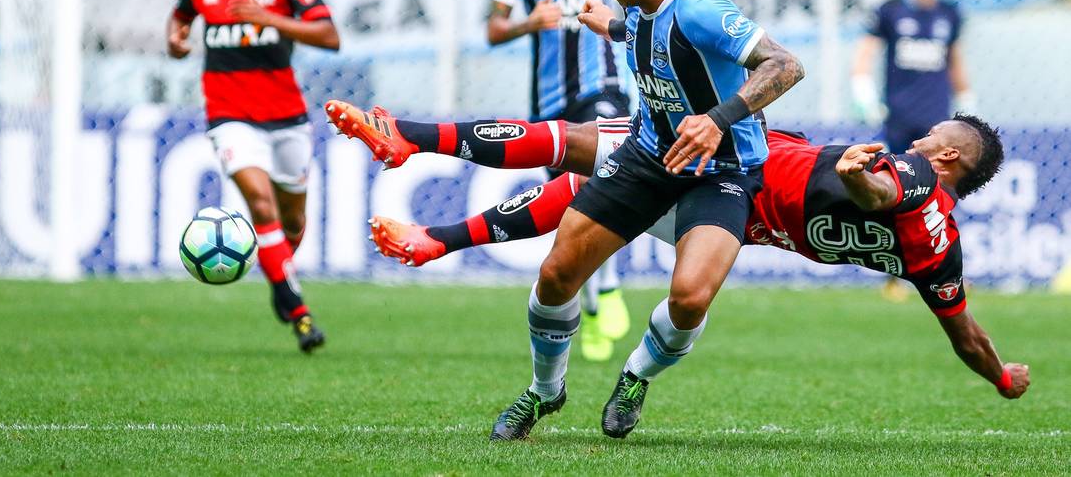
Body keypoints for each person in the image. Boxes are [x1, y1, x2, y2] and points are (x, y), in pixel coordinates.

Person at [323, 104, 1032, 413]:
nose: (914, 143)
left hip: (731, 191)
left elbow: (881, 191)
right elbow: (964, 333)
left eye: (928, 139)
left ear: (946, 157)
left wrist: (855, 175)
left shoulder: (911, 176)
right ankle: (416, 163)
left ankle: (633, 378)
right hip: (731, 179)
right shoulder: (941, 251)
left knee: (675, 284)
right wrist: (1001, 376)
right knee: (577, 167)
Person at [489, 0, 803, 440]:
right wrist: (607, 25)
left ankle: (636, 375)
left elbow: (785, 65)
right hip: (648, 157)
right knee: (556, 274)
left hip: (719, 168)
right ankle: (545, 392)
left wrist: (717, 119)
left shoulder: (700, 6)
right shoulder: (641, 1)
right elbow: (642, 32)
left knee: (689, 298)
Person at [168, 0, 340, 352]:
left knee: (292, 223)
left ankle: (278, 274)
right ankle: (297, 310)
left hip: (286, 116)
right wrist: (176, 39)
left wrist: (271, 19)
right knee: (260, 206)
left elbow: (329, 35)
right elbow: (181, 16)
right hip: (229, 114)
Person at [484, 0, 632, 361]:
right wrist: (530, 22)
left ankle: (607, 290)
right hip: (550, 100)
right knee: (576, 212)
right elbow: (493, 29)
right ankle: (592, 305)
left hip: (607, 86)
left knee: (603, 181)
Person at [852, 0, 974, 302]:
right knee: (895, 193)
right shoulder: (890, 10)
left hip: (939, 124)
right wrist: (862, 91)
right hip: (899, 119)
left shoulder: (950, 14)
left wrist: (967, 102)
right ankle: (892, 275)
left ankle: (947, 273)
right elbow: (865, 55)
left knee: (941, 198)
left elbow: (955, 63)